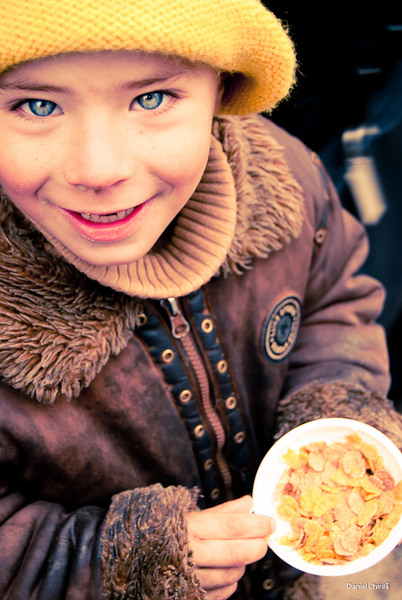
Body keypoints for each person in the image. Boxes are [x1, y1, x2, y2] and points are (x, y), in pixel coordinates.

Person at [0, 1, 400, 599]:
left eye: (152, 98)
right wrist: (118, 567)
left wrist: (335, 416)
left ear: (221, 89)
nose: (99, 169)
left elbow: (335, 298)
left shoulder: (284, 177)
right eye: (37, 105)